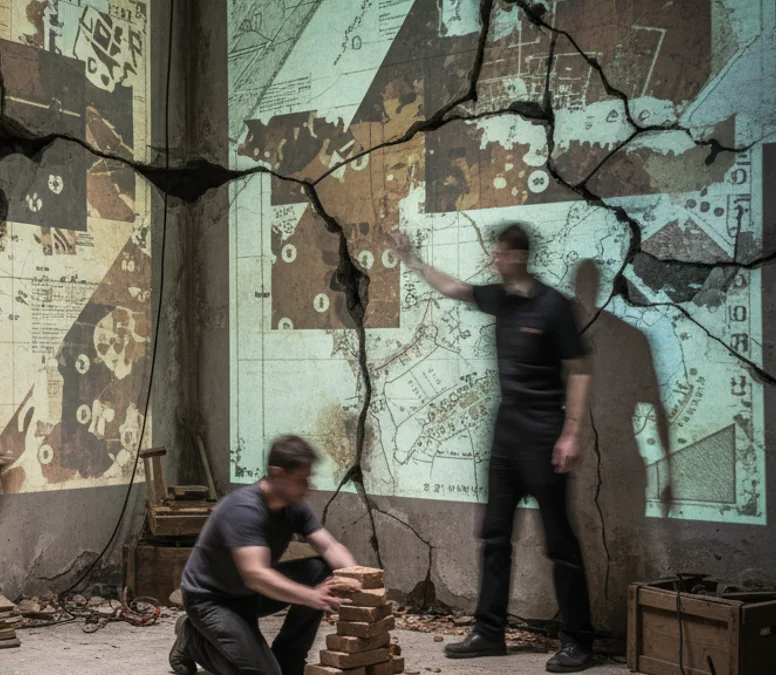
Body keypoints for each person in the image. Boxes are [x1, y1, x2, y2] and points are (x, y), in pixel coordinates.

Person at [395, 224, 596, 673]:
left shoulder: (553, 306)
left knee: (559, 541)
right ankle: (489, 633)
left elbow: (580, 368)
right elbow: (454, 288)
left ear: (518, 256)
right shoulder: (501, 298)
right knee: (495, 536)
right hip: (506, 432)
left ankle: (579, 642)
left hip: (545, 432)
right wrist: (412, 259)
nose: (493, 260)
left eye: (499, 254)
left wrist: (572, 432)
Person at [168, 435, 361, 675]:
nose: (307, 487)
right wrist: (311, 596)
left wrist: (360, 581)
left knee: (322, 570)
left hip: (249, 595)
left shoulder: (295, 505)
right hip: (212, 600)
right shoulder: (244, 509)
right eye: (301, 479)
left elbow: (329, 546)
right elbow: (256, 574)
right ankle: (192, 639)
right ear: (277, 473)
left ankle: (288, 657)